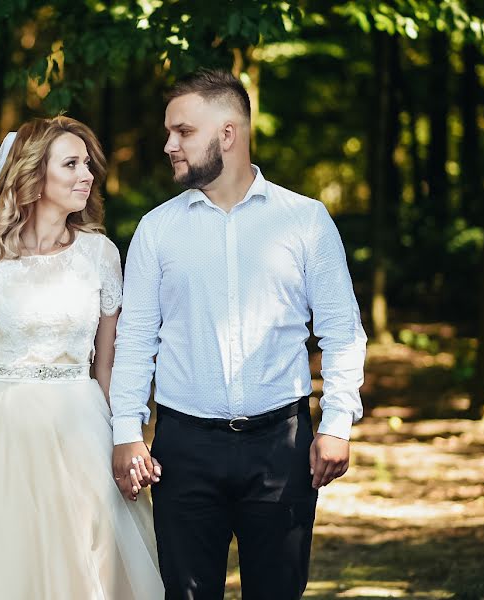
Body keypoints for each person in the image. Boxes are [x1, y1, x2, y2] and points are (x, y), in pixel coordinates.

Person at [110, 69, 368, 600]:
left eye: (182, 132)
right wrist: (126, 432)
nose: (168, 145)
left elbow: (342, 331)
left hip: (283, 446)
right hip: (183, 450)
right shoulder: (157, 230)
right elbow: (135, 340)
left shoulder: (306, 221)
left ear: (227, 134)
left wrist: (338, 422)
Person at [0, 116, 164, 599]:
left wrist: (130, 438)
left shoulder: (100, 254)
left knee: (89, 565)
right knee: (11, 566)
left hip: (83, 428)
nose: (87, 174)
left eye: (87, 164)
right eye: (71, 164)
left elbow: (109, 365)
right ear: (34, 176)